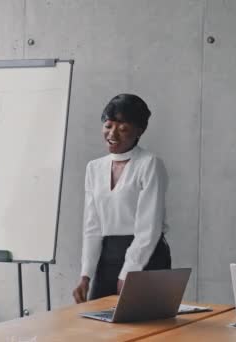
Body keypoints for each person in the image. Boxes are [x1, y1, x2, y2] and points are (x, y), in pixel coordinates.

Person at [72, 93, 171, 303]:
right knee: (100, 328)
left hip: (146, 258)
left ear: (139, 131)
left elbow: (149, 229)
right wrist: (86, 275)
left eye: (123, 128)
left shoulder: (150, 164)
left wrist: (129, 272)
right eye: (108, 126)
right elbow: (92, 227)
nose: (113, 133)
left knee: (145, 329)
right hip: (107, 258)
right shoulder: (94, 168)